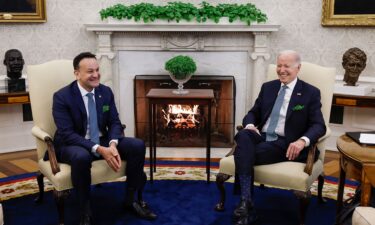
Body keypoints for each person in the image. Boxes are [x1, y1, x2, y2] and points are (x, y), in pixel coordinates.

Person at [52, 52, 157, 225]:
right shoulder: (62, 96)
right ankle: (85, 212)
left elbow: (115, 122)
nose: (96, 75)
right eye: (90, 71)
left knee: (137, 145)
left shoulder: (105, 92)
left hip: (101, 140)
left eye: (97, 70)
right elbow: (67, 133)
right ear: (77, 73)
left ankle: (130, 201)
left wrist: (113, 144)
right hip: (72, 143)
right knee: (81, 156)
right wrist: (100, 150)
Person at [232, 50, 326, 225]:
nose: (281, 70)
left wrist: (302, 141)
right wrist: (251, 125)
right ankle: (248, 201)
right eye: (279, 65)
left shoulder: (310, 92)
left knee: (242, 152)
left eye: (287, 66)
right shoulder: (268, 87)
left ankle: (245, 202)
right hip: (262, 136)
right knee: (243, 135)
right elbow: (253, 113)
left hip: (286, 142)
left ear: (298, 68)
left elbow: (319, 125)